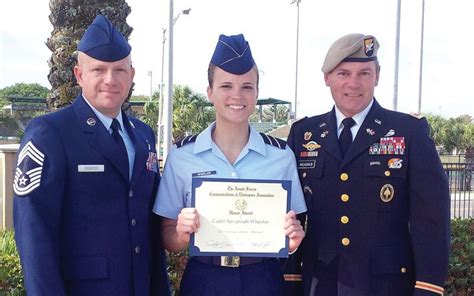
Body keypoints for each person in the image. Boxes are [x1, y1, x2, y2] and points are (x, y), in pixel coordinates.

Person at [13, 15, 170, 296]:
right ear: (79, 75)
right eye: (99, 70)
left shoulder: (144, 135)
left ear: (131, 75)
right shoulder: (50, 134)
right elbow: (34, 237)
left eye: (120, 70)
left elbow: (150, 229)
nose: (110, 80)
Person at [286, 33, 450, 296]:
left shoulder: (409, 132)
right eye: (343, 73)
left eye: (364, 73)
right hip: (320, 284)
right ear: (327, 78)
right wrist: (291, 278)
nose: (354, 83)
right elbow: (293, 215)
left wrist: (428, 288)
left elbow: (430, 220)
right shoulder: (305, 134)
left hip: (386, 286)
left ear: (377, 76)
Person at [153, 33, 307, 296]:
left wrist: (292, 242)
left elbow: (292, 230)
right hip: (205, 278)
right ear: (210, 92)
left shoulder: (281, 156)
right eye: (226, 86)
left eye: (247, 86)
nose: (237, 95)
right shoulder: (182, 156)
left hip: (263, 278)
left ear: (257, 93)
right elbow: (167, 237)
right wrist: (180, 233)